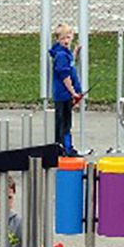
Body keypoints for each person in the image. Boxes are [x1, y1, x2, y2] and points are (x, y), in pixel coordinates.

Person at [49, 23, 81, 156]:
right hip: (63, 95)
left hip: (65, 94)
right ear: (57, 39)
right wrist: (73, 92)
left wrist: (75, 52)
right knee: (64, 123)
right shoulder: (61, 55)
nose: (66, 41)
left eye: (68, 37)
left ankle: (64, 147)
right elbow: (65, 76)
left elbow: (70, 63)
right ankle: (64, 149)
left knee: (65, 122)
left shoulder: (64, 52)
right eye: (63, 38)